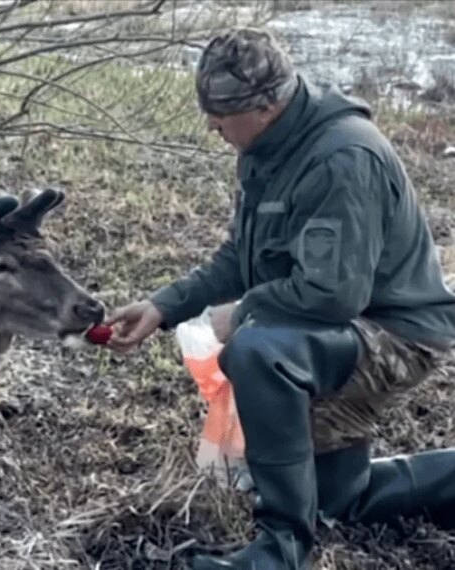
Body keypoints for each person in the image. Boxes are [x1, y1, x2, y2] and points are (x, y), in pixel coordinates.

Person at [103, 27, 455, 570]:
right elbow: (241, 258)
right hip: (342, 327)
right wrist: (163, 306)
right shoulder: (267, 147)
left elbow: (333, 294)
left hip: (397, 333)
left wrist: (241, 313)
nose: (211, 124)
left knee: (259, 350)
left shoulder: (343, 159)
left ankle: (278, 549)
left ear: (268, 105)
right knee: (341, 499)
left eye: (222, 112)